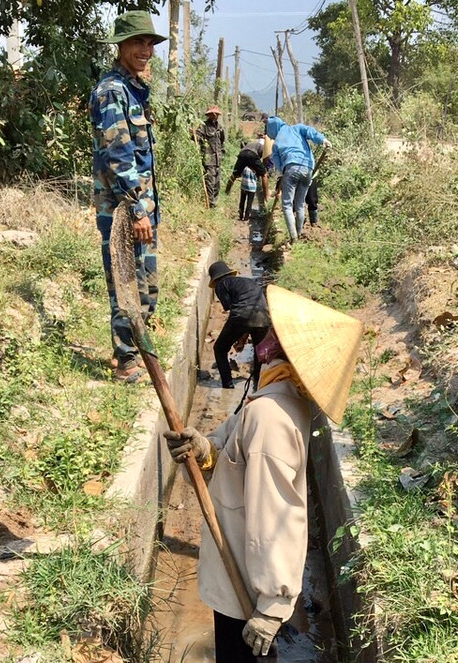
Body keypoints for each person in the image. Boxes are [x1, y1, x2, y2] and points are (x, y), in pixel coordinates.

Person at [164, 285, 363, 661]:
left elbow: (278, 516)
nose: (263, 337)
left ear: (283, 351)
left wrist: (272, 606)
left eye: (272, 333)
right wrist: (202, 451)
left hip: (245, 589)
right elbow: (228, 445)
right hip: (237, 575)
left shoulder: (269, 417)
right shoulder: (272, 399)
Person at [90, 11, 167, 382]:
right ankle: (126, 361)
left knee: (147, 286)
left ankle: (140, 351)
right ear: (120, 45)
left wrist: (148, 210)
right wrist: (137, 209)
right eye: (138, 42)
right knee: (128, 284)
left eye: (150, 43)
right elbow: (118, 156)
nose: (145, 50)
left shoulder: (134, 89)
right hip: (123, 209)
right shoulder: (111, 92)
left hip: (142, 208)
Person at [265, 116, 331, 243]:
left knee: (287, 205)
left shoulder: (276, 142)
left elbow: (278, 165)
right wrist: (322, 139)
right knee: (300, 204)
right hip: (308, 168)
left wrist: (283, 173)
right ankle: (299, 233)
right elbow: (310, 131)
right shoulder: (297, 128)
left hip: (290, 168)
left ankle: (294, 237)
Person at [208, 261, 271, 389]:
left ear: (215, 278)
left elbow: (234, 309)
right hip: (263, 317)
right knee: (259, 352)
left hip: (242, 316)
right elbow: (251, 307)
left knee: (219, 349)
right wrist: (242, 337)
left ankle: (227, 384)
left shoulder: (221, 285)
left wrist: (240, 337)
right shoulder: (248, 282)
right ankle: (258, 385)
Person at [195, 106, 226, 207]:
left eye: (216, 114)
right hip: (208, 159)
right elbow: (197, 137)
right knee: (210, 181)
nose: (214, 116)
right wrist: (194, 134)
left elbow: (222, 141)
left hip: (218, 159)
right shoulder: (203, 126)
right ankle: (210, 203)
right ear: (208, 115)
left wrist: (222, 153)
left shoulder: (220, 127)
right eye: (212, 114)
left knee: (217, 183)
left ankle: (215, 201)